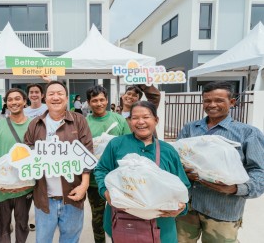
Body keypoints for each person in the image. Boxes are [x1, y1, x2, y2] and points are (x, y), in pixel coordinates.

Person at [176, 81, 264, 243]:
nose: (212, 104)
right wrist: (183, 171)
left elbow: (259, 172)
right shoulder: (190, 129)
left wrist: (235, 188)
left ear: (232, 102)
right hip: (187, 207)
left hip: (223, 209)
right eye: (207, 100)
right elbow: (177, 159)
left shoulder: (248, 133)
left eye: (219, 100)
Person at [94, 101, 191, 243]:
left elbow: (183, 185)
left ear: (156, 120)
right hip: (123, 222)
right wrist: (105, 192)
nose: (140, 122)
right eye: (135, 118)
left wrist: (182, 206)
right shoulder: (116, 144)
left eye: (146, 117)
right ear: (129, 121)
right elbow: (101, 169)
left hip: (161, 225)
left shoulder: (167, 150)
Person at [24, 81, 93, 243]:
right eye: (51, 94)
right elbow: (26, 153)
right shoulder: (35, 123)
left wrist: (84, 185)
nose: (56, 97)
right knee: (43, 240)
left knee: (70, 239)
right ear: (44, 98)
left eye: (60, 93)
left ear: (67, 98)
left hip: (72, 195)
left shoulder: (79, 120)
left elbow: (87, 153)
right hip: (44, 197)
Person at [85, 85, 131, 243]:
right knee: (97, 218)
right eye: (94, 100)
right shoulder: (84, 123)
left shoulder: (119, 120)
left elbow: (128, 146)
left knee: (118, 216)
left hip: (117, 180)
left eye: (102, 100)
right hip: (93, 181)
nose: (99, 103)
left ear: (107, 100)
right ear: (89, 103)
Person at [0, 88, 34, 243]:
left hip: (24, 186)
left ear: (25, 101)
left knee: (22, 225)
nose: (14, 102)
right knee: (2, 227)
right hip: (0, 188)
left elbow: (36, 156)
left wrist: (25, 183)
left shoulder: (34, 125)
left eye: (17, 99)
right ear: (6, 103)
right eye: (10, 100)